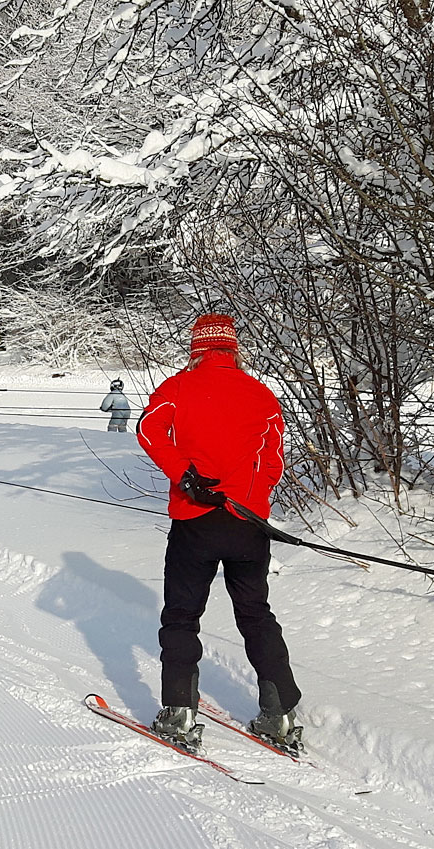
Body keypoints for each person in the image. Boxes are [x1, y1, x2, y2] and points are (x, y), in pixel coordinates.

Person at [136, 314, 301, 755]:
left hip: (195, 520)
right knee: (255, 613)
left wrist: (184, 475)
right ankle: (280, 713)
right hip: (248, 523)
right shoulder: (261, 394)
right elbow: (273, 458)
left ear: (196, 349)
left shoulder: (177, 387)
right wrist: (253, 497)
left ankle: (180, 712)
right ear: (233, 349)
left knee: (182, 616)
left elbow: (147, 430)